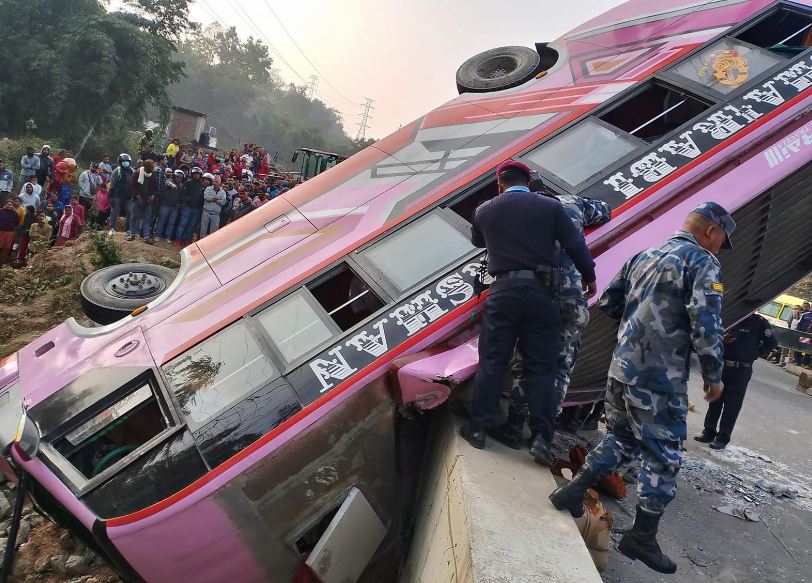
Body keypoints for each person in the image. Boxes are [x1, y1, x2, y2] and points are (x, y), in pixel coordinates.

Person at [549, 202, 735, 575]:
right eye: (721, 241)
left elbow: (608, 302)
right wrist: (714, 375)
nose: (719, 249)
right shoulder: (701, 262)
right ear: (711, 232)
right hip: (659, 379)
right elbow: (707, 321)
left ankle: (570, 492)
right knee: (664, 454)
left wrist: (640, 326)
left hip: (622, 368)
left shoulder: (644, 254)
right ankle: (642, 536)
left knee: (622, 439)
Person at [459, 159, 597, 465]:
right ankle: (540, 440)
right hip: (542, 295)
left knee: (493, 361)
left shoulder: (485, 210)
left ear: (500, 184)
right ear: (529, 180)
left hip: (503, 292)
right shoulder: (550, 208)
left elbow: (478, 240)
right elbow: (575, 244)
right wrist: (589, 277)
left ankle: (479, 429)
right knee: (542, 368)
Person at [491, 186, 611, 449]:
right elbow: (605, 211)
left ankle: (513, 428)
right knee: (560, 367)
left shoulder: (519, 214)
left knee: (527, 361)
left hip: (536, 297)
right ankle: (541, 438)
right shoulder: (573, 204)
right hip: (571, 300)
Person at [695, 313, 777, 450]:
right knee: (715, 400)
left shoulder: (758, 322)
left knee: (732, 405)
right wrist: (722, 340)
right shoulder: (731, 315)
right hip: (722, 365)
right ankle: (709, 431)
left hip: (741, 370)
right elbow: (711, 338)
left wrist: (754, 353)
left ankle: (722, 438)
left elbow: (772, 343)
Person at [128, 158, 159, 243]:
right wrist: (137, 197)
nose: (153, 168)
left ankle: (146, 237)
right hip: (137, 200)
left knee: (147, 219)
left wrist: (153, 197)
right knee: (134, 217)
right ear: (146, 166)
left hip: (148, 201)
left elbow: (156, 189)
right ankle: (132, 234)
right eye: (152, 166)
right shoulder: (137, 173)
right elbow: (131, 186)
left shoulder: (153, 175)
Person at [176, 166, 205, 246]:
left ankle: (188, 240)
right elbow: (183, 194)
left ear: (200, 175)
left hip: (196, 209)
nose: (196, 175)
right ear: (192, 174)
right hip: (187, 207)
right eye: (195, 174)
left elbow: (202, 197)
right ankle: (178, 239)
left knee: (191, 226)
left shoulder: (202, 185)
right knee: (182, 224)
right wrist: (184, 202)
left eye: (198, 174)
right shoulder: (188, 182)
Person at [108, 154, 134, 235]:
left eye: (127, 161)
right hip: (117, 195)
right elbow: (112, 184)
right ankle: (112, 228)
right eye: (124, 161)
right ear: (120, 162)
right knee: (114, 212)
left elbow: (134, 183)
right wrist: (111, 197)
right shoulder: (117, 171)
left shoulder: (132, 171)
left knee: (130, 212)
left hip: (128, 196)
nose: (125, 162)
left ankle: (128, 229)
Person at [156, 169, 184, 242]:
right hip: (165, 204)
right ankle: (158, 235)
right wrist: (173, 185)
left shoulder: (181, 186)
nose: (178, 179)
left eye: (180, 178)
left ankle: (168, 237)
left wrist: (179, 203)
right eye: (177, 177)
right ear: (174, 176)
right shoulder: (169, 181)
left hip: (174, 207)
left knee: (171, 223)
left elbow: (181, 197)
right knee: (161, 220)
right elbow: (168, 183)